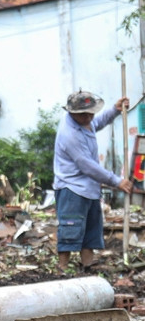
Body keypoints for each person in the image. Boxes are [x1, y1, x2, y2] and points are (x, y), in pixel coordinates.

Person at [54, 90, 134, 272]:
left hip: (89, 188)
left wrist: (114, 110)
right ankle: (62, 269)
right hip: (72, 189)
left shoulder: (85, 122)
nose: (90, 117)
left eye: (91, 113)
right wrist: (116, 181)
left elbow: (96, 123)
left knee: (90, 232)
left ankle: (88, 267)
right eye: (85, 114)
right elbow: (87, 166)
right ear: (73, 113)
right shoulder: (69, 134)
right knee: (70, 229)